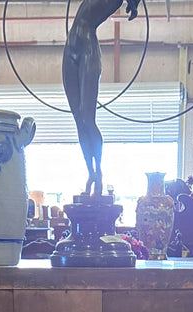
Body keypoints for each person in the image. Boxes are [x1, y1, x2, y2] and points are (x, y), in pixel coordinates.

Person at [62, 0, 142, 198]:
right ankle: (90, 173)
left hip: (88, 49)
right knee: (78, 120)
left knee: (88, 119)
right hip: (70, 48)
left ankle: (99, 172)